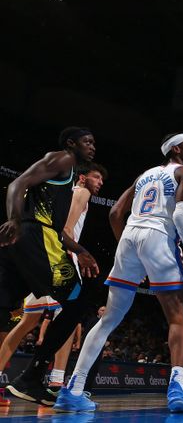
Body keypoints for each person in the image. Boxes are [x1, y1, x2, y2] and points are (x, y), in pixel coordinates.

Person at [54, 133, 183, 414]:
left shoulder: (143, 176)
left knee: (109, 319)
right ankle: (177, 389)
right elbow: (181, 214)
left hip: (130, 238)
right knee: (176, 316)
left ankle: (72, 390)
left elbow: (115, 213)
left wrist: (130, 251)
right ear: (176, 149)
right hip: (159, 235)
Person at [0, 127, 101, 406]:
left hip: (24, 242)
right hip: (36, 239)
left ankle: (29, 377)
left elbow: (59, 227)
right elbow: (15, 185)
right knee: (77, 303)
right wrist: (13, 220)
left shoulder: (64, 176)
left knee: (6, 315)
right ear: (71, 143)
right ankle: (32, 377)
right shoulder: (63, 159)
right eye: (87, 142)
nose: (92, 147)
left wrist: (80, 250)